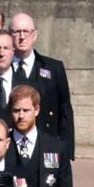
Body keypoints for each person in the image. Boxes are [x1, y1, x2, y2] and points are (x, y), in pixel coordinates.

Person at [9, 13, 75, 156]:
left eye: (26, 31)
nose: (22, 36)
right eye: (17, 32)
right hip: (10, 145)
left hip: (46, 143)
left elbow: (65, 109)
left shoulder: (54, 67)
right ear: (9, 35)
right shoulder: (0, 68)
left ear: (35, 35)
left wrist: (66, 150)